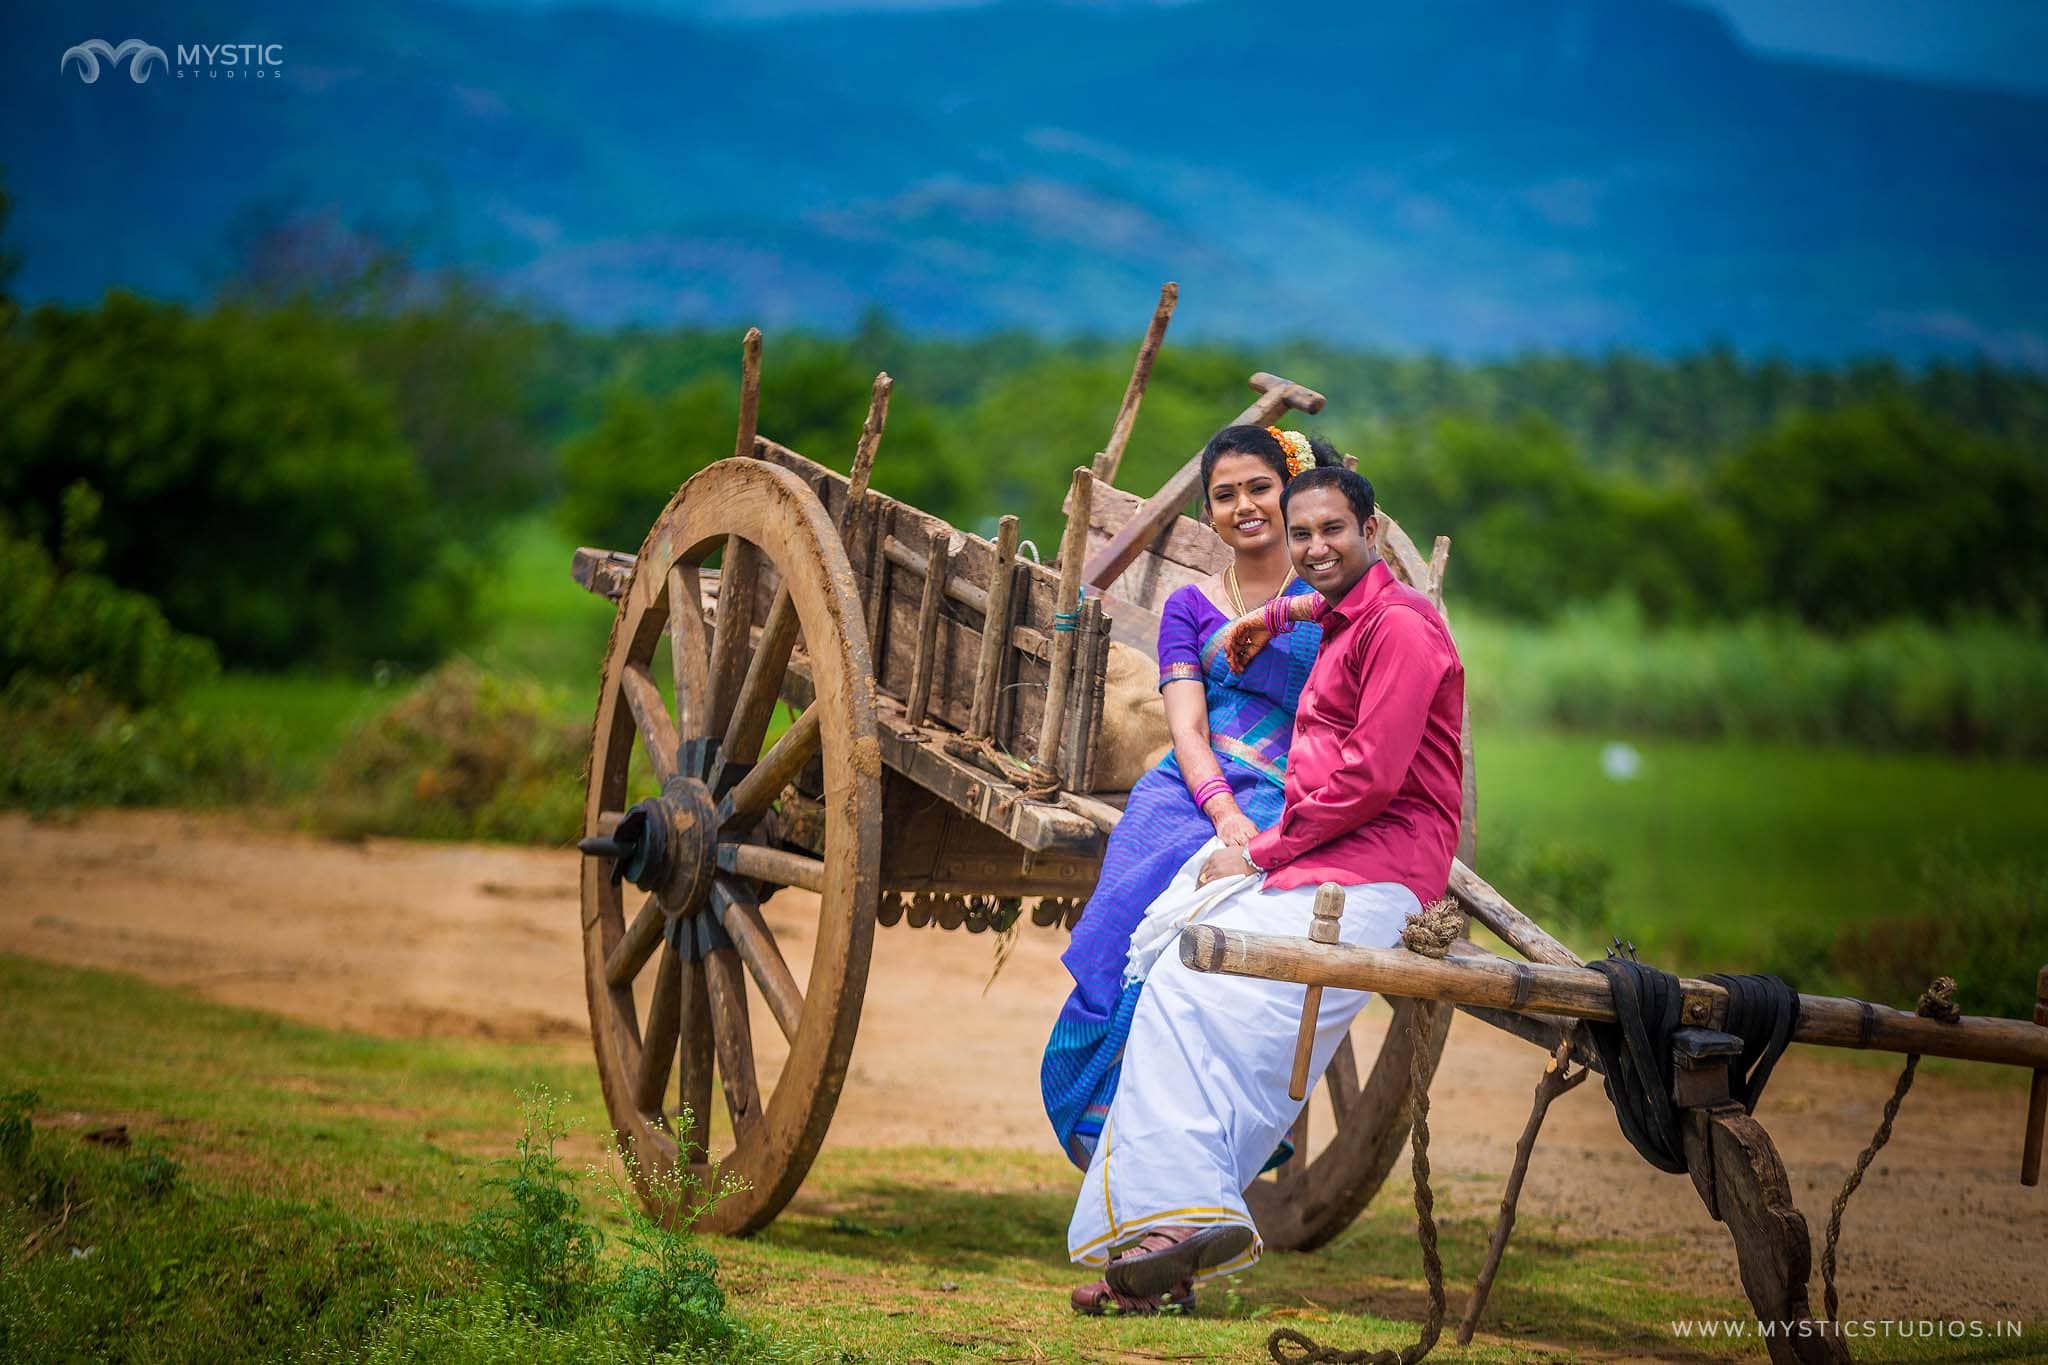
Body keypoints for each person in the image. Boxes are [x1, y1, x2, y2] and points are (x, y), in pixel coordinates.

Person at [1065, 465, 1466, 1314]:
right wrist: (1269, 616)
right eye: (1303, 533)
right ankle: (1166, 1234)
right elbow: (1320, 604)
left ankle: (1178, 1225)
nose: (1316, 547)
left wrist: (1256, 852)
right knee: (1173, 973)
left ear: (1370, 530)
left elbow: (1369, 779)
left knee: (1200, 988)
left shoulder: (1401, 630)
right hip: (1331, 857)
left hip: (1379, 865)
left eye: (1334, 531)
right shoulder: (1345, 611)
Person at [1041, 425, 1341, 1176]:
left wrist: (1264, 822)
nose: (1244, 505)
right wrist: (1223, 812)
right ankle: (1108, 1114)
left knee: (1230, 931)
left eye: (1259, 487)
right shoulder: (1190, 606)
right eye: (1225, 494)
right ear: (1208, 512)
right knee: (1124, 925)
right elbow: (1188, 725)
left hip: (1292, 791)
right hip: (1186, 792)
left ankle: (1210, 1120)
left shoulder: (1332, 598)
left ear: (1291, 490)